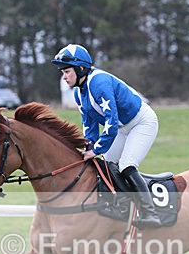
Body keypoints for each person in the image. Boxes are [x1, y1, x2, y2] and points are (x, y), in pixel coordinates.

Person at [51, 44, 162, 228]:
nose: (64, 76)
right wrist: (89, 147)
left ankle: (150, 213)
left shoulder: (99, 83)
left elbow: (111, 121)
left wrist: (97, 149)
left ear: (80, 69)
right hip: (121, 128)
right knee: (107, 165)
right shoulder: (79, 93)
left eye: (67, 71)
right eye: (62, 72)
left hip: (142, 122)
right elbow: (90, 125)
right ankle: (122, 205)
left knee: (126, 165)